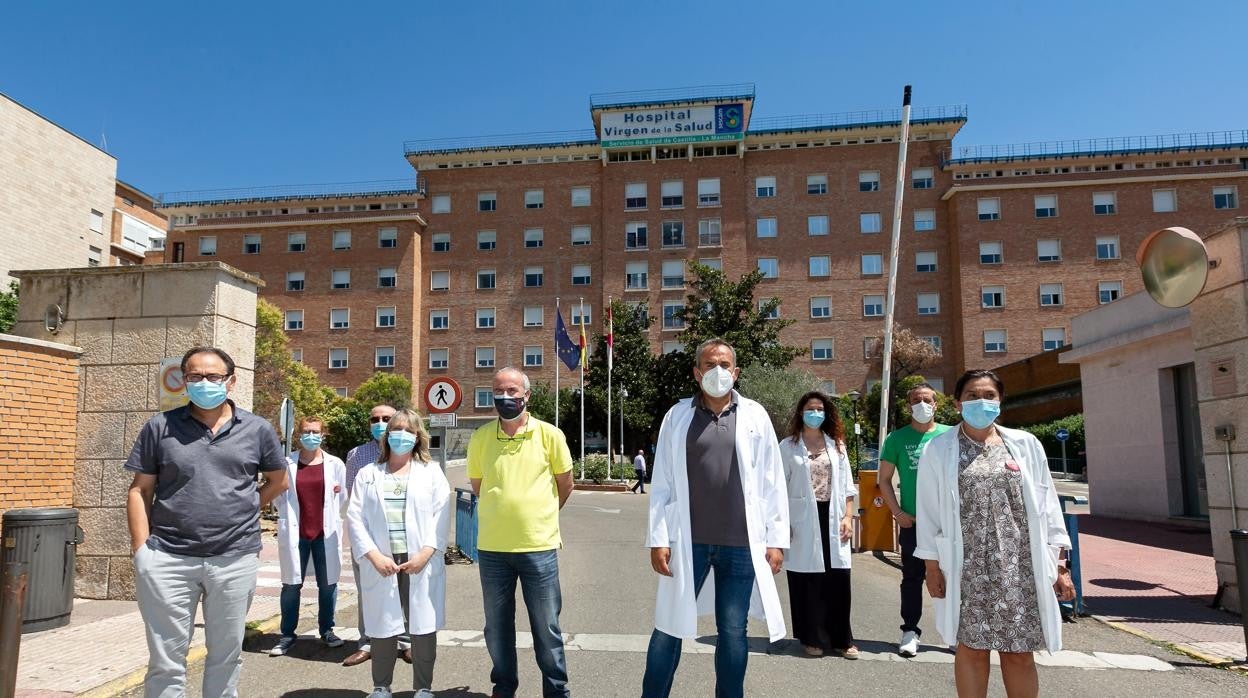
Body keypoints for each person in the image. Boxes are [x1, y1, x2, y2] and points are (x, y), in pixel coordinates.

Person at [125, 346, 288, 697]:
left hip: (234, 558)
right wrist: (142, 553)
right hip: (167, 558)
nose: (204, 383)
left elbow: (278, 480)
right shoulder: (159, 428)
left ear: (231, 381)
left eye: (214, 377)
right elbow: (140, 491)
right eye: (195, 376)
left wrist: (246, 507)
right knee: (166, 661)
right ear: (184, 381)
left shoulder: (257, 429)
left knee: (226, 656)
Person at [642, 339, 788, 698]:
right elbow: (661, 482)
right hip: (687, 542)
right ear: (696, 372)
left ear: (736, 372)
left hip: (741, 544)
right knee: (668, 627)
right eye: (709, 365)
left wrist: (775, 540)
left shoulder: (755, 415)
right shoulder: (677, 416)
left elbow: (772, 480)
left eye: (724, 364)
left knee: (733, 631)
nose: (717, 371)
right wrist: (658, 538)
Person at [915, 369, 1075, 698]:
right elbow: (929, 512)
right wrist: (931, 568)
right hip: (968, 567)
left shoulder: (1025, 445)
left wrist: (1059, 565)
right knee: (971, 650)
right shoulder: (939, 449)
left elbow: (1047, 506)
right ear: (958, 404)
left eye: (989, 395)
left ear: (1000, 401)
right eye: (972, 395)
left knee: (1018, 652)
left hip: (1019, 569)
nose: (981, 401)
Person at [467, 367, 575, 697]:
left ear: (526, 395)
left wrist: (537, 516)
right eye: (498, 391)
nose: (505, 397)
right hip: (493, 550)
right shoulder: (481, 437)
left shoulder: (549, 435)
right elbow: (478, 487)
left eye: (512, 391)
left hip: (538, 548)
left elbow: (565, 484)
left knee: (547, 627)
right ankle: (503, 687)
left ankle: (556, 691)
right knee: (497, 629)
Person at [347, 409, 451, 698]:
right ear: (387, 436)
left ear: (417, 436)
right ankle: (381, 687)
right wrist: (372, 555)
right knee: (382, 624)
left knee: (422, 624)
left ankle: (423, 688)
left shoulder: (431, 473)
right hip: (381, 559)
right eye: (395, 429)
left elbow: (440, 516)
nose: (400, 435)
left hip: (419, 559)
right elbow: (355, 518)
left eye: (407, 430)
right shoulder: (368, 474)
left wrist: (426, 553)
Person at [778, 391, 859, 659]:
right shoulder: (788, 447)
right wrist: (781, 524)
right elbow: (778, 488)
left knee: (838, 579)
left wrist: (848, 516)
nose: (816, 413)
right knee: (807, 580)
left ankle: (841, 639)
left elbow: (847, 486)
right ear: (801, 412)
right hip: (801, 519)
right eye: (810, 408)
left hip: (833, 517)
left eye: (820, 409)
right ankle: (810, 637)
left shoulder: (836, 445)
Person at [879, 382, 953, 657]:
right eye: (916, 400)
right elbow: (884, 480)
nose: (922, 404)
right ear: (909, 405)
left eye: (927, 399)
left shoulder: (951, 435)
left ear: (936, 404)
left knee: (952, 577)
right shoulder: (897, 439)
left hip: (948, 524)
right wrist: (897, 513)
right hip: (914, 524)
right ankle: (910, 631)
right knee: (911, 578)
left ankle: (953, 632)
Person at [270, 416, 347, 656]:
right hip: (296, 532)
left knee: (328, 584)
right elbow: (278, 494)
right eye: (306, 431)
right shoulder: (287, 462)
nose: (310, 436)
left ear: (323, 435)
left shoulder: (335, 464)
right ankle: (287, 635)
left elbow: (341, 496)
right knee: (291, 586)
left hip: (325, 532)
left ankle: (327, 630)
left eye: (315, 431)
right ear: (298, 435)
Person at [342, 404, 404, 667]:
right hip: (368, 538)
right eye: (375, 419)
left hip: (401, 534)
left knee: (405, 590)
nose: (380, 422)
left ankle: (406, 641)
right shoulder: (356, 455)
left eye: (386, 418)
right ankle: (367, 642)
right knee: (367, 592)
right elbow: (351, 498)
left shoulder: (408, 453)